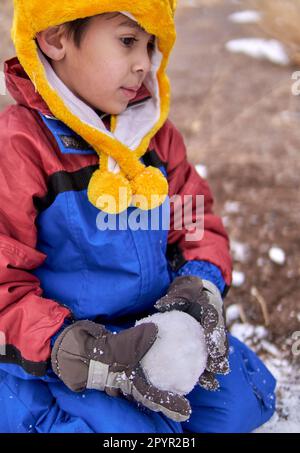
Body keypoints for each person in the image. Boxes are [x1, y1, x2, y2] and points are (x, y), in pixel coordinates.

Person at [0, 0, 276, 433]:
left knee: (240, 402)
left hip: (146, 328)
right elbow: (4, 285)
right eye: (128, 41)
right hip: (60, 347)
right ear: (55, 37)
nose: (143, 65)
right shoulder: (20, 146)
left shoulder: (155, 139)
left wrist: (196, 289)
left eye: (150, 47)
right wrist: (71, 348)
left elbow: (195, 221)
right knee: (127, 433)